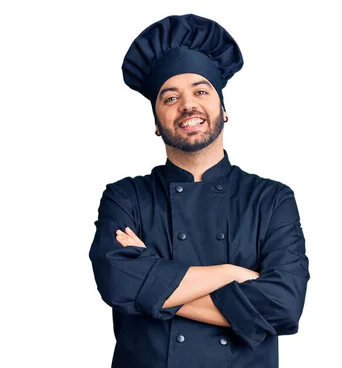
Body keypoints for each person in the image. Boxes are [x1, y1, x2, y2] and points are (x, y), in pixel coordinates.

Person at [88, 14, 310, 368]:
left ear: (223, 108)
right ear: (157, 123)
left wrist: (152, 287)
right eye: (170, 97)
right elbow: (117, 285)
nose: (187, 105)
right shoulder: (126, 197)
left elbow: (284, 306)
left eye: (201, 91)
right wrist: (230, 274)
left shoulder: (271, 200)